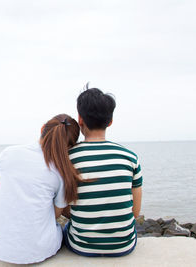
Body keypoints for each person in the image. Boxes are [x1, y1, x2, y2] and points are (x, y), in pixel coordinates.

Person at [0, 114, 81, 264]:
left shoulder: (8, 153)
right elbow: (54, 215)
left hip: (3, 247)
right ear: (69, 147)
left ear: (42, 129)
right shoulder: (61, 172)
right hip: (41, 250)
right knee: (62, 229)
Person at [63, 85, 143, 257]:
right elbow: (135, 212)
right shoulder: (130, 157)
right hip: (123, 246)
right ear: (110, 121)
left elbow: (61, 205)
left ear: (80, 119)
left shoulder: (68, 157)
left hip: (81, 247)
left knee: (64, 228)